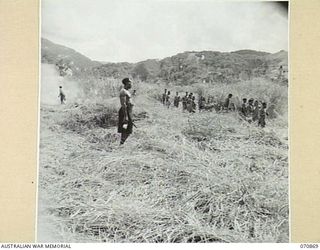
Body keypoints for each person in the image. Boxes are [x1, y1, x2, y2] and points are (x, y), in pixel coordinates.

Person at [118, 78, 134, 145]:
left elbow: (128, 100)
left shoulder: (127, 91)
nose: (131, 84)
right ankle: (121, 144)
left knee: (129, 128)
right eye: (130, 82)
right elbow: (123, 104)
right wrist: (126, 116)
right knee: (125, 127)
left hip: (129, 111)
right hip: (125, 111)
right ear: (126, 83)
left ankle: (122, 143)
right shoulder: (123, 91)